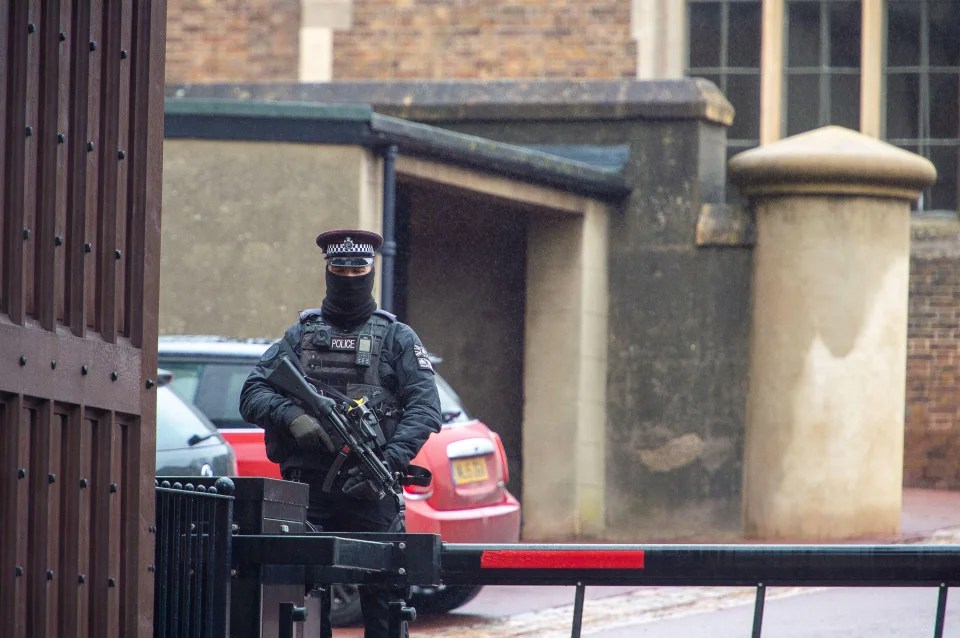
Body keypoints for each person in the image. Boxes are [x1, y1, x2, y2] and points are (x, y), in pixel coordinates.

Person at [239, 228, 441, 638]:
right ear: (328, 271)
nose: (349, 276)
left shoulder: (397, 338)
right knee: (306, 608)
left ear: (370, 272)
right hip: (308, 493)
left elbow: (425, 408)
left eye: (358, 268)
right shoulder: (300, 336)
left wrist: (386, 461)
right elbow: (252, 391)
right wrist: (292, 416)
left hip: (372, 493)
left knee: (387, 606)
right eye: (340, 268)